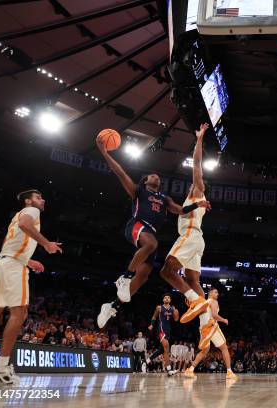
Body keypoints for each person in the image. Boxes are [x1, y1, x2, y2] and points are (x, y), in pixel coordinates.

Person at [94, 135, 208, 328]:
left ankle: (112, 306)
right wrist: (104, 153)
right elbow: (120, 172)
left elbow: (180, 210)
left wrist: (198, 204)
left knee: (144, 275)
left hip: (153, 232)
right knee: (152, 245)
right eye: (151, 175)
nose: (156, 175)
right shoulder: (138, 191)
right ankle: (124, 277)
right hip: (138, 225)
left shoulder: (165, 198)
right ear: (145, 181)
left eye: (158, 176)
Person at [0, 190, 62, 384]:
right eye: (39, 197)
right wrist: (46, 244)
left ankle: (1, 366)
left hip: (0, 264)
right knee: (19, 313)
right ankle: (1, 367)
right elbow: (25, 225)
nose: (42, 199)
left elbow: (13, 245)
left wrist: (29, 261)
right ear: (29, 201)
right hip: (12, 267)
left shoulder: (17, 215)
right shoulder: (31, 211)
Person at [158, 123, 212, 324]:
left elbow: (197, 164)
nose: (193, 181)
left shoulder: (198, 190)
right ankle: (206, 320)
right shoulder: (194, 200)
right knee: (192, 280)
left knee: (167, 271)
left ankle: (194, 301)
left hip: (190, 236)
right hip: (198, 240)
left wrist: (199, 139)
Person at [184, 288, 237, 380]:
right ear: (210, 293)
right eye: (216, 292)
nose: (218, 294)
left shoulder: (203, 303)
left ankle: (190, 370)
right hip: (212, 326)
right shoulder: (213, 301)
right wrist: (224, 320)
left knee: (204, 350)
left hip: (202, 328)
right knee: (224, 348)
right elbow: (214, 315)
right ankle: (229, 372)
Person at [146, 294, 179, 376]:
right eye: (165, 297)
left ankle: (146, 361)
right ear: (163, 300)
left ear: (170, 300)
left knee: (161, 350)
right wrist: (152, 325)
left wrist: (176, 312)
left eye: (168, 297)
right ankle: (169, 370)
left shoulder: (172, 308)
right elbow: (154, 317)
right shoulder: (159, 307)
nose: (167, 298)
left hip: (168, 331)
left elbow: (176, 319)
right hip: (161, 330)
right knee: (166, 349)